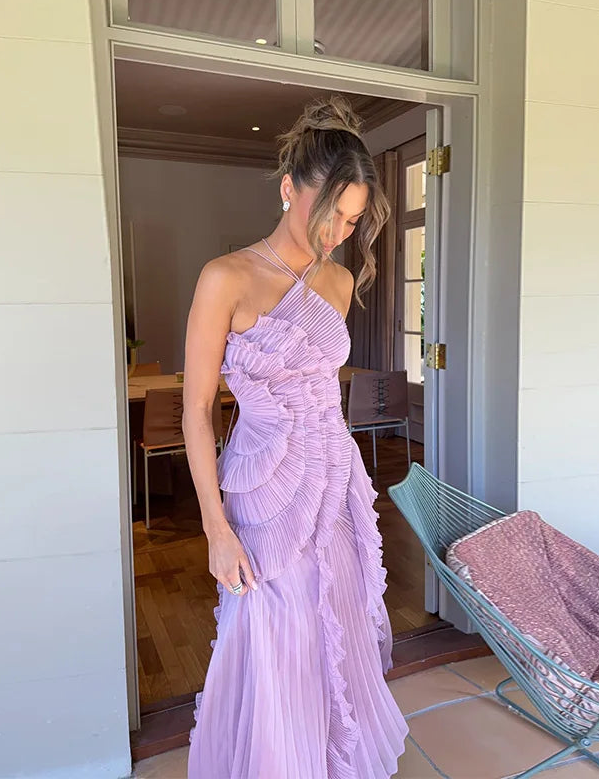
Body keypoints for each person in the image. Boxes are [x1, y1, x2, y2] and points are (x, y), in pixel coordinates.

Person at [182, 95, 409, 778]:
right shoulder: (224, 277)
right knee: (271, 635)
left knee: (330, 629)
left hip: (333, 478)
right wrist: (215, 530)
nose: (338, 231)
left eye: (350, 218)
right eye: (330, 213)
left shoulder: (338, 281)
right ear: (289, 190)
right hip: (262, 485)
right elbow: (196, 413)